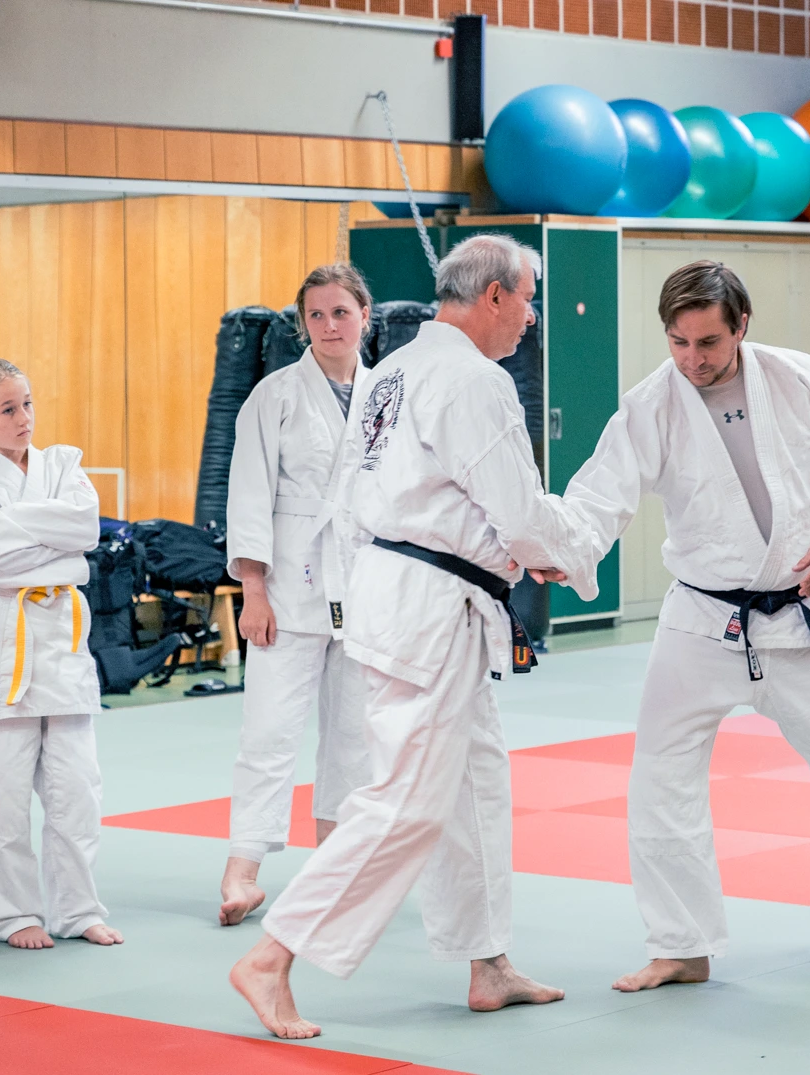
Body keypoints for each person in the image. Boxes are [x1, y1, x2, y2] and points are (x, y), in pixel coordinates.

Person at [230, 233, 599, 1039]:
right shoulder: (473, 378)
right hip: (428, 604)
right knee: (405, 800)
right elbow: (517, 505)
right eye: (527, 300)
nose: (530, 318)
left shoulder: (392, 369)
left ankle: (486, 958)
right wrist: (570, 556)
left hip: (404, 591)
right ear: (493, 296)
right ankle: (272, 954)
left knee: (473, 783)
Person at [562, 261, 810, 993]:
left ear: (741, 326)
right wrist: (561, 551)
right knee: (659, 779)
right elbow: (598, 497)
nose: (691, 359)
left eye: (707, 341)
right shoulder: (651, 405)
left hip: (807, 610)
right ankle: (681, 943)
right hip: (703, 618)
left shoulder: (801, 380)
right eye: (677, 341)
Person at [219, 265, 372, 927]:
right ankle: (242, 868)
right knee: (269, 731)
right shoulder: (273, 397)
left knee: (354, 738)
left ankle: (333, 872)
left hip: (366, 589)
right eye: (317, 315)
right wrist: (252, 589)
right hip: (287, 589)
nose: (330, 325)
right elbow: (248, 494)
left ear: (363, 314)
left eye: (341, 312)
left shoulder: (389, 396)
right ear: (302, 323)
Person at [0, 358, 121, 950]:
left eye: (27, 403)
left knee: (77, 791)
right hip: (1, 651)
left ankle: (78, 909)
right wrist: (60, 553)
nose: (24, 418)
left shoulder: (64, 464)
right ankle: (11, 914)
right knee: (0, 799)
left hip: (65, 655)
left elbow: (86, 533)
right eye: (7, 409)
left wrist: (43, 543)